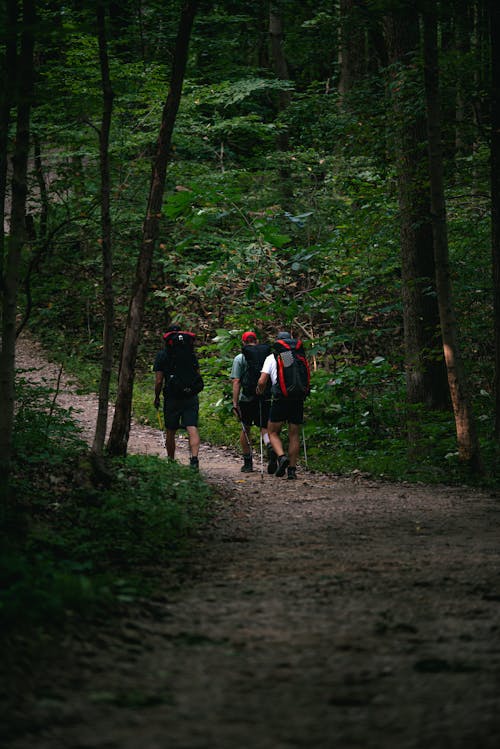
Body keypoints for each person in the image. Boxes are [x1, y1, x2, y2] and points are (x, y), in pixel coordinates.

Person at [256, 331, 308, 480]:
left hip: (280, 398)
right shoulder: (298, 356)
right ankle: (292, 470)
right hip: (298, 398)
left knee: (272, 432)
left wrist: (259, 391)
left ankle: (281, 457)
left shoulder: (273, 357)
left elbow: (262, 381)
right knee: (294, 434)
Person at [154, 324, 202, 470]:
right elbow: (197, 375)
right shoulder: (190, 353)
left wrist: (156, 397)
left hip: (172, 396)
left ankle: (171, 461)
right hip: (191, 395)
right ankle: (194, 460)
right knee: (191, 426)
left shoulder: (162, 355)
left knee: (171, 429)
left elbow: (159, 380)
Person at [230, 331, 276, 473]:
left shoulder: (240, 358)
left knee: (246, 428)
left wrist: (235, 403)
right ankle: (269, 445)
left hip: (247, 398)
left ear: (243, 343)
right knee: (264, 427)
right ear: (256, 341)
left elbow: (236, 381)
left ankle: (248, 462)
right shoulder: (268, 356)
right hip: (265, 396)